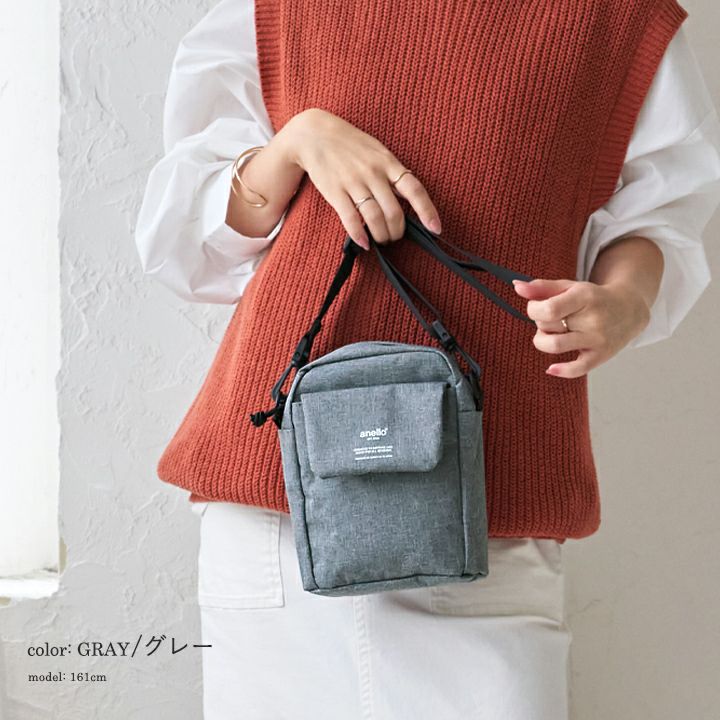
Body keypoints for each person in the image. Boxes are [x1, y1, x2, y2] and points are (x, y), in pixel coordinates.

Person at [135, 1, 720, 718]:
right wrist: (295, 144)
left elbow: (659, 214)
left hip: (494, 507)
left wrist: (624, 303)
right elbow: (182, 245)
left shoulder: (620, 18)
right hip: (284, 508)